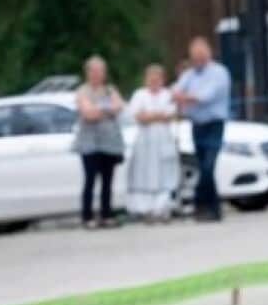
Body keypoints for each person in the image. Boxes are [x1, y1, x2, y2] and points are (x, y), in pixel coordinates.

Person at [172, 37, 231, 223]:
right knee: (202, 166)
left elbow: (206, 97)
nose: (197, 59)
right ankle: (213, 209)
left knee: (208, 166)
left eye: (200, 55)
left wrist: (185, 97)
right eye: (193, 56)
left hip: (214, 124)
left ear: (208, 53)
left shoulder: (219, 73)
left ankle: (201, 203)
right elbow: (174, 91)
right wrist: (183, 97)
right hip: (197, 125)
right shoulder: (189, 75)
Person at [74, 55, 126, 229]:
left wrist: (99, 110)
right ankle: (87, 216)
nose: (97, 74)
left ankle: (106, 214)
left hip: (109, 143)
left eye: (100, 71)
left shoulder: (110, 90)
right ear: (87, 73)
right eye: (94, 71)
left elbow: (119, 106)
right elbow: (88, 113)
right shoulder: (82, 91)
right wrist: (106, 110)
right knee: (90, 180)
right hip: (89, 144)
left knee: (107, 181)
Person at [126, 64, 180, 223]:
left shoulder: (167, 94)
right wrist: (157, 115)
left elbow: (171, 114)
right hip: (145, 140)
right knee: (144, 173)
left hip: (163, 138)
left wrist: (151, 115)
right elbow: (138, 116)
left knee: (164, 173)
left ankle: (162, 208)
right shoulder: (139, 94)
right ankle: (145, 209)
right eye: (151, 78)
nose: (154, 81)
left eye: (158, 78)